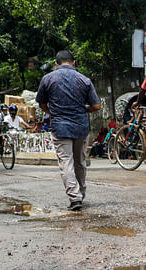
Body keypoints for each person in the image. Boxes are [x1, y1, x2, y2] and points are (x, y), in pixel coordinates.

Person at [36, 50, 101, 211]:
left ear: (56, 64)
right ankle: (81, 193)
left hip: (60, 126)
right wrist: (82, 109)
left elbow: (41, 103)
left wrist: (53, 112)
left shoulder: (48, 79)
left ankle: (74, 197)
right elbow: (96, 106)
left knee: (66, 162)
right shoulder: (84, 80)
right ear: (74, 62)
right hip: (80, 126)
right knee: (80, 162)